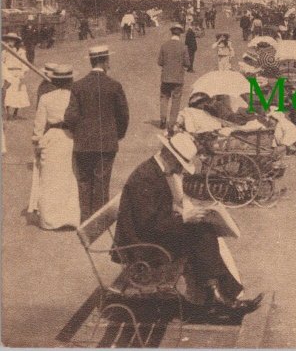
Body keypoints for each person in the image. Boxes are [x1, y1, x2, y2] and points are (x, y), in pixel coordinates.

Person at [113, 132, 263, 314]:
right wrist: (184, 218)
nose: (179, 169)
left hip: (147, 237)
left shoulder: (154, 170)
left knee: (202, 229)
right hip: (139, 248)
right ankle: (221, 298)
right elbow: (148, 225)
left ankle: (219, 296)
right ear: (168, 155)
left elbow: (155, 218)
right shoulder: (146, 176)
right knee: (200, 234)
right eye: (178, 164)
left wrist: (186, 216)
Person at [64, 45, 129, 222]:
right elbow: (123, 115)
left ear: (91, 61)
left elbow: (70, 116)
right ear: (106, 61)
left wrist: (78, 132)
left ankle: (84, 219)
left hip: (83, 143)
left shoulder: (78, 86)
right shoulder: (114, 86)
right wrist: (118, 134)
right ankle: (98, 223)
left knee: (83, 182)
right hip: (107, 142)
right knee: (102, 182)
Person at [31, 65, 81, 229]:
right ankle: (70, 218)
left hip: (52, 138)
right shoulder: (75, 97)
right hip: (70, 138)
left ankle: (50, 220)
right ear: (70, 80)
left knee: (50, 178)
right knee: (69, 177)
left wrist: (38, 142)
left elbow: (39, 125)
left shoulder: (46, 98)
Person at [158, 24, 191, 130]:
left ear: (171, 33)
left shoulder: (164, 45)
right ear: (180, 34)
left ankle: (163, 119)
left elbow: (160, 62)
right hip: (178, 78)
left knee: (164, 98)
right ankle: (171, 123)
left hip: (166, 77)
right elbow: (187, 63)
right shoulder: (183, 47)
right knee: (176, 100)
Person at [2, 33, 31, 119]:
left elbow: (25, 64)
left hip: (18, 74)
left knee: (18, 93)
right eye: (9, 40)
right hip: (7, 73)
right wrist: (5, 73)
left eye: (12, 40)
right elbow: (2, 63)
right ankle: (6, 112)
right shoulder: (4, 52)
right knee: (7, 93)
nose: (10, 41)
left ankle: (15, 113)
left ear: (16, 41)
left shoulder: (21, 52)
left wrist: (21, 73)